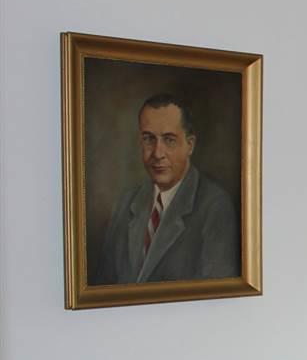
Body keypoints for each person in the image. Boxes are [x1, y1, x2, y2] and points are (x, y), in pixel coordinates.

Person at [97, 94, 238, 285]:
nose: (157, 153)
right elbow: (104, 286)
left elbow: (216, 299)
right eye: (149, 139)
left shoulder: (215, 207)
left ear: (190, 145)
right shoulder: (126, 203)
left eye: (169, 140)